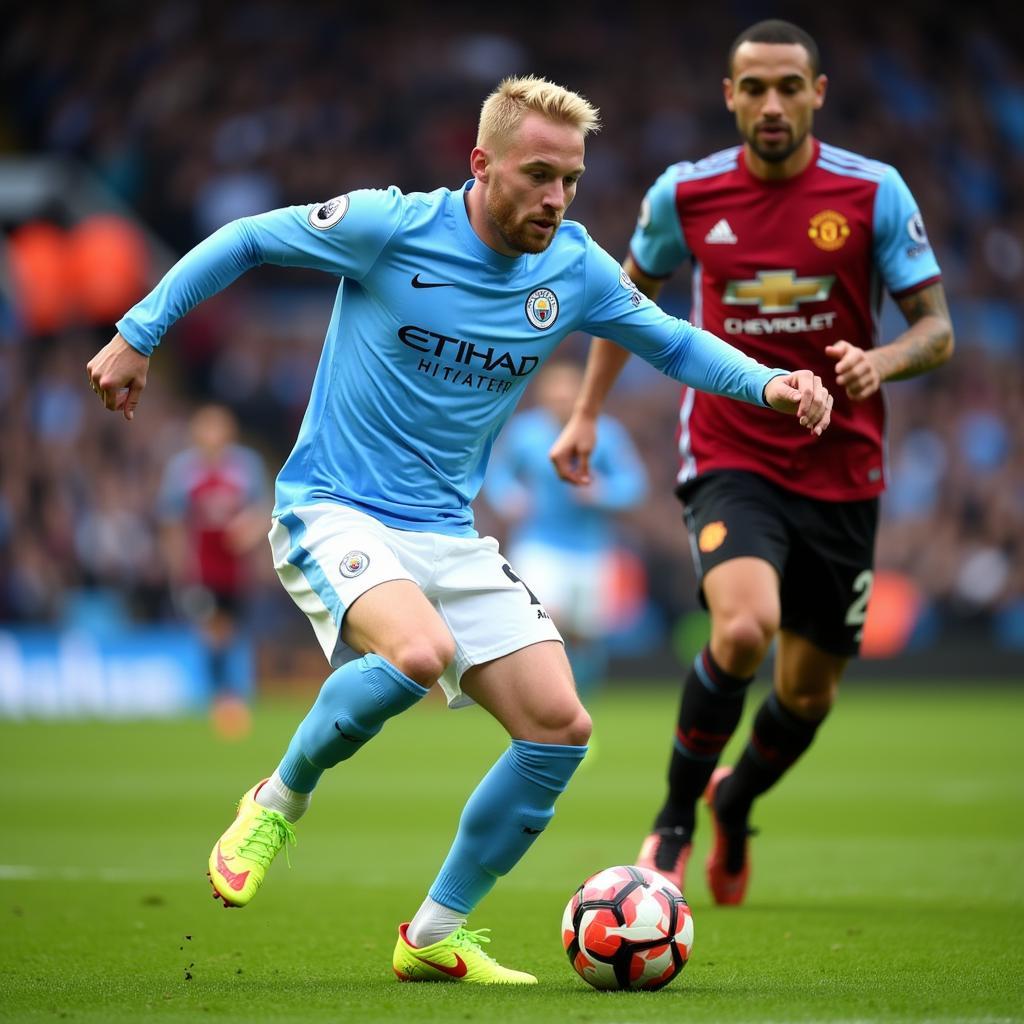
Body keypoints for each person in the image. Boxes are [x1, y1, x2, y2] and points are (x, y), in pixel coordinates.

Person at [86, 76, 832, 984]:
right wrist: (139, 331)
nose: (556, 198)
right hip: (333, 506)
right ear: (481, 165)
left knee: (560, 727)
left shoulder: (575, 266)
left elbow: (670, 341)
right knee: (414, 653)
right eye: (537, 175)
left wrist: (771, 383)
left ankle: (435, 933)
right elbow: (247, 239)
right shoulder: (390, 227)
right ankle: (279, 797)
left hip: (448, 530)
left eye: (572, 179)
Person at [550, 21, 954, 907]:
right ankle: (674, 823)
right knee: (741, 630)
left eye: (789, 87)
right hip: (730, 450)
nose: (772, 104)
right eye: (754, 88)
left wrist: (876, 364)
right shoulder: (684, 195)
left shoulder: (872, 192)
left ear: (818, 93)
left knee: (806, 695)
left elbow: (937, 328)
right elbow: (626, 304)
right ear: (729, 96)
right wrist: (585, 414)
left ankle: (736, 800)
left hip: (843, 468)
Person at [484, 359, 648, 695]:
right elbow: (497, 474)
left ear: (581, 396)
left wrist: (603, 492)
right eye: (554, 394)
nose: (560, 401)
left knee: (586, 634)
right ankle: (545, 695)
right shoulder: (525, 432)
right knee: (545, 617)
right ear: (543, 397)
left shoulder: (605, 434)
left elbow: (634, 484)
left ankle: (580, 699)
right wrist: (510, 497)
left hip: (591, 548)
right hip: (538, 542)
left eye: (567, 394)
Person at [158, 403, 270, 738]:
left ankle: (229, 698)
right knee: (213, 630)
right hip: (202, 570)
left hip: (237, 569)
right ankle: (222, 700)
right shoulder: (183, 471)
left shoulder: (247, 466)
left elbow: (265, 510)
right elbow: (172, 521)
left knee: (233, 631)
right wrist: (179, 567)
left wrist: (249, 529)